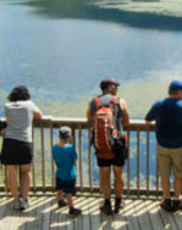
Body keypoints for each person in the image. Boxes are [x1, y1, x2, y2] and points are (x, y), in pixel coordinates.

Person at [144, 79, 182, 212]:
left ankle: (166, 199)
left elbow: (147, 119)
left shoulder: (158, 104)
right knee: (179, 173)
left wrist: (157, 126)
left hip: (162, 144)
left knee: (164, 174)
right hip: (179, 145)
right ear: (178, 92)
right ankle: (178, 199)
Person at [86, 77, 129, 216]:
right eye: (115, 86)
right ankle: (118, 201)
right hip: (118, 144)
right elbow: (127, 121)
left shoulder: (93, 102)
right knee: (118, 173)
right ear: (109, 87)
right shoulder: (120, 101)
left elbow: (89, 120)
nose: (117, 89)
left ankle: (106, 203)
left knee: (104, 175)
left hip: (101, 145)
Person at [1, 85, 43, 212]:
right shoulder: (29, 105)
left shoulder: (6, 106)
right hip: (25, 142)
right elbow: (39, 116)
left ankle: (15, 200)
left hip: (9, 142)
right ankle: (25, 199)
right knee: (25, 171)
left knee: (12, 173)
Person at [51, 126, 82, 216]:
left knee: (59, 188)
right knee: (69, 192)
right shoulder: (70, 148)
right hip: (69, 174)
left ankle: (60, 201)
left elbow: (55, 159)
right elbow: (75, 158)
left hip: (59, 172)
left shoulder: (54, 148)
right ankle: (71, 208)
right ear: (68, 137)